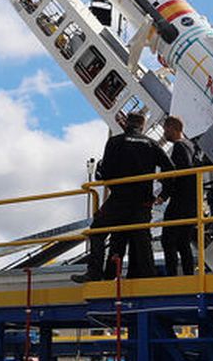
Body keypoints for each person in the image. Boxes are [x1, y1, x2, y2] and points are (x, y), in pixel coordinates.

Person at [74, 113, 173, 282]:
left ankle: (96, 273)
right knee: (142, 239)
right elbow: (170, 169)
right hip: (142, 202)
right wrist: (164, 194)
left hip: (119, 200)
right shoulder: (151, 144)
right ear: (142, 126)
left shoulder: (115, 142)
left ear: (126, 124)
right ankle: (149, 277)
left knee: (97, 231)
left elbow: (105, 172)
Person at [156, 117, 200, 276]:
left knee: (168, 240)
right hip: (192, 202)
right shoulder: (190, 145)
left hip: (180, 202)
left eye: (165, 130)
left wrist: (164, 194)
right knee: (183, 242)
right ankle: (188, 274)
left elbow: (177, 173)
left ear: (173, 128)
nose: (164, 133)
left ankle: (172, 276)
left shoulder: (179, 147)